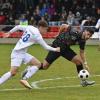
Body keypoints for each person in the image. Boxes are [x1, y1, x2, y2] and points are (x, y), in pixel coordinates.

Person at [22, 24, 95, 88]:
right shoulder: (75, 31)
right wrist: (59, 34)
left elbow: (81, 52)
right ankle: (30, 69)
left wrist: (85, 63)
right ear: (85, 31)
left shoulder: (83, 41)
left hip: (66, 49)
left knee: (79, 62)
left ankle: (83, 81)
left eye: (90, 36)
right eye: (88, 34)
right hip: (57, 47)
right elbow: (63, 25)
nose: (88, 36)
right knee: (45, 66)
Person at [0, 20, 60, 89]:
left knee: (38, 64)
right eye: (45, 29)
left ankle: (24, 79)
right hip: (17, 53)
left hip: (23, 53)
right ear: (41, 27)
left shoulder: (30, 27)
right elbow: (46, 47)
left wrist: (9, 32)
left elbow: (18, 27)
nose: (46, 31)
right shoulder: (38, 35)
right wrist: (56, 49)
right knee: (13, 72)